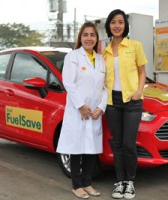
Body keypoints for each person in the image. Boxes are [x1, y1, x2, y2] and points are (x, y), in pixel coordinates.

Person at [56, 22, 107, 199]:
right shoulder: (73, 56)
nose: (89, 38)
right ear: (80, 37)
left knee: (90, 150)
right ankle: (77, 185)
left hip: (94, 113)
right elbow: (68, 83)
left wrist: (101, 107)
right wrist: (81, 106)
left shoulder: (101, 59)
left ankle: (87, 183)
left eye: (92, 35)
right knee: (76, 149)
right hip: (78, 111)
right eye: (85, 35)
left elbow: (105, 87)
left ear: (96, 39)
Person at [103, 9, 148, 199]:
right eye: (113, 22)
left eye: (120, 22)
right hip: (112, 102)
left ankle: (130, 182)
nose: (117, 25)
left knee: (129, 144)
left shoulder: (134, 46)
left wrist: (139, 92)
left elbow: (142, 72)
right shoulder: (104, 51)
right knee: (118, 144)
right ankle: (119, 181)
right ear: (109, 25)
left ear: (125, 25)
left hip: (132, 101)